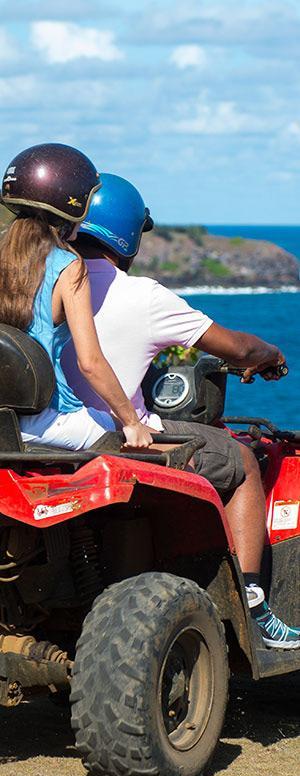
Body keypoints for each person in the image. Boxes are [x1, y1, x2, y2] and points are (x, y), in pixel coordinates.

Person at [62, 173, 300, 650]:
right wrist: (268, 355)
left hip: (46, 434)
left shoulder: (46, 282)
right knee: (242, 461)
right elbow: (235, 345)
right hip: (115, 433)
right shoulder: (143, 296)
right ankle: (254, 602)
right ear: (128, 235)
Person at [0, 145, 152, 451]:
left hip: (5, 419)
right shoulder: (68, 266)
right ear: (73, 207)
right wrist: (132, 423)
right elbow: (90, 363)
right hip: (47, 417)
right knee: (162, 451)